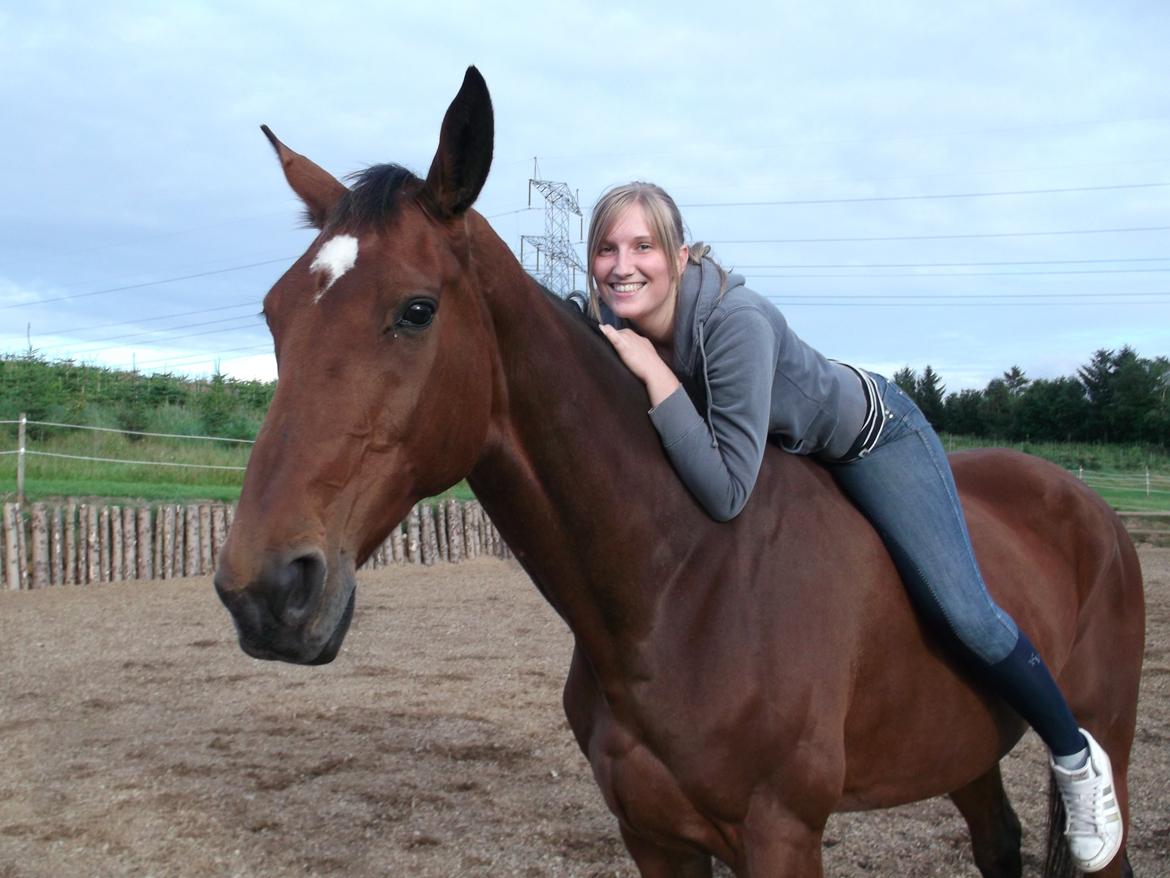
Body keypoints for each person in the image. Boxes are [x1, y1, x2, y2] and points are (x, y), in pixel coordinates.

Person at [588, 181, 1122, 874]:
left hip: (870, 438)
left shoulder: (734, 322)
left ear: (681, 256)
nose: (622, 264)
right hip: (789, 452)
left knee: (962, 608)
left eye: (643, 246)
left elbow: (723, 490)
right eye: (606, 248)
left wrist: (656, 376)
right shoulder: (610, 316)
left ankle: (1076, 761)